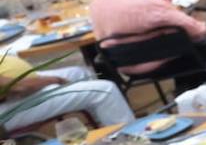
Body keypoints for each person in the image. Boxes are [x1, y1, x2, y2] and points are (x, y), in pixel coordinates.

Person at [0, 50, 134, 131]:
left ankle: (107, 129)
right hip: (7, 107)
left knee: (79, 73)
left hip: (19, 88)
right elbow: (18, 86)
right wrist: (53, 80)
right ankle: (131, 141)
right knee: (105, 91)